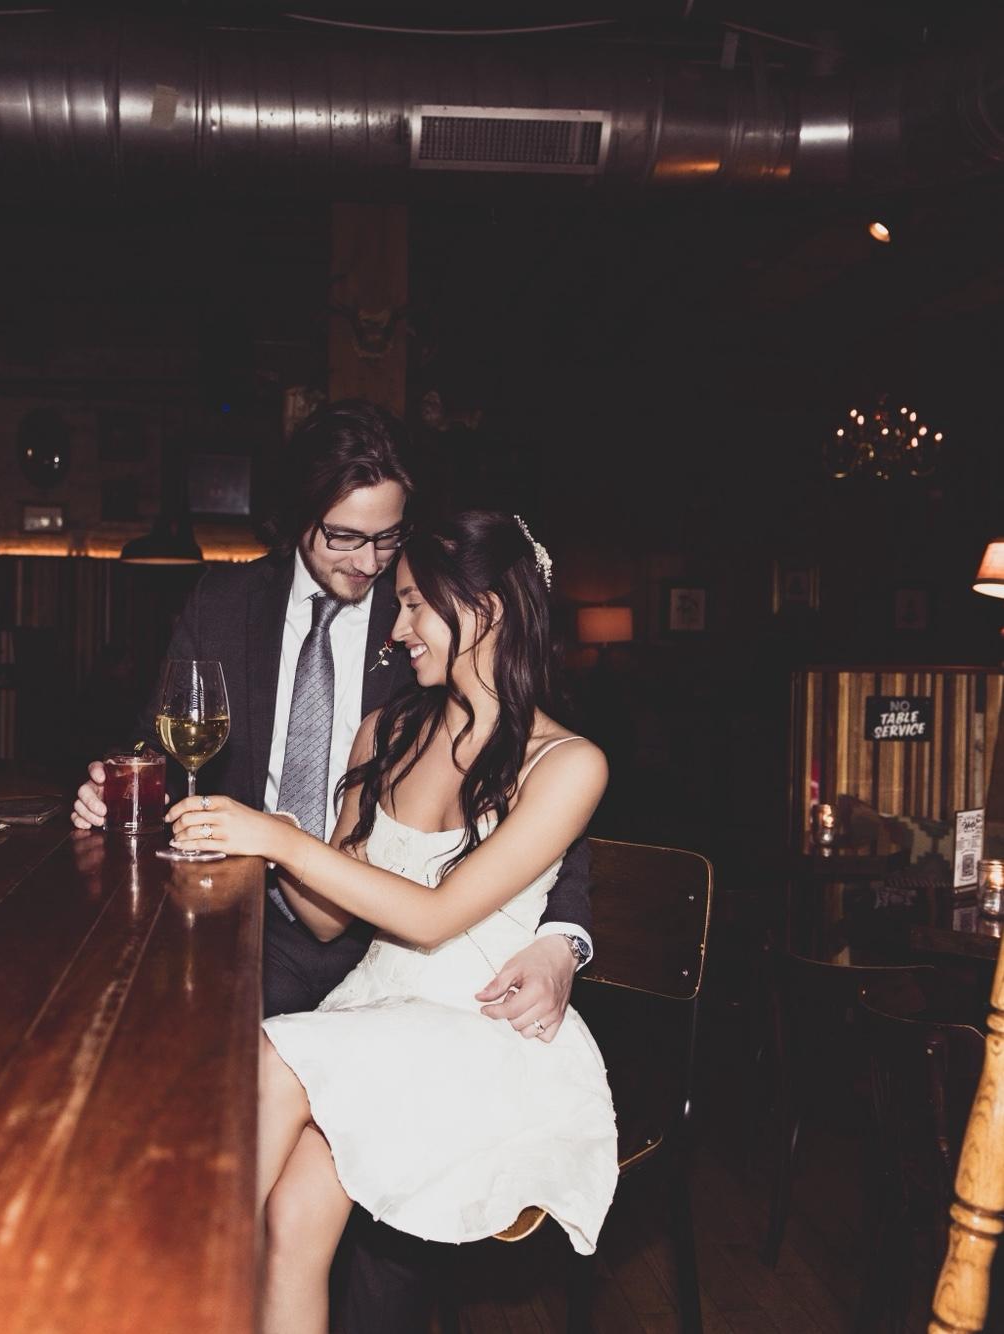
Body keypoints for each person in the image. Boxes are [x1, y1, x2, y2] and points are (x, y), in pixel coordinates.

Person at [70, 403, 596, 1330]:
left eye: (390, 545)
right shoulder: (260, 631)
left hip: (453, 1000)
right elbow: (165, 753)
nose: (377, 575)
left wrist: (565, 938)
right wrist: (118, 792)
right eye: (347, 538)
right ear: (298, 520)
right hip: (296, 943)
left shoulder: (519, 714)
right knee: (286, 1205)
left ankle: (140, 1291)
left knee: (356, 1233)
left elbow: (515, 860)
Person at [165, 510, 618, 1334]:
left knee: (273, 1054)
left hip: (480, 1030)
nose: (397, 627)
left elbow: (436, 916)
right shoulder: (387, 731)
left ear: (485, 609)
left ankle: (152, 1285)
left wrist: (282, 839)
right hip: (376, 1013)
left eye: (414, 605)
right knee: (296, 1219)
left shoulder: (570, 764)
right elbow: (329, 921)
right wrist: (263, 849)